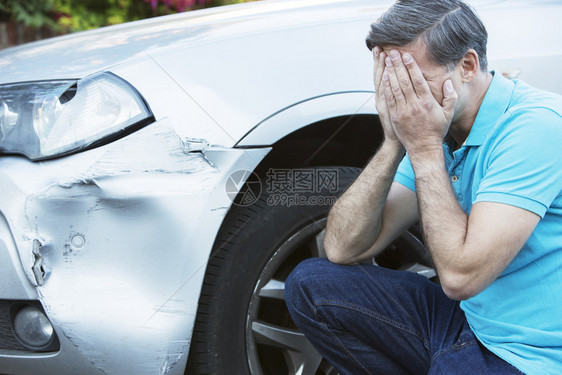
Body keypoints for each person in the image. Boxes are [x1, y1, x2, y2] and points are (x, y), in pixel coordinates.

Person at [284, 0, 562, 374]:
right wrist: (392, 143)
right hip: (469, 323)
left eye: (413, 79)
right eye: (390, 79)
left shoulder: (535, 129)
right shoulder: (441, 125)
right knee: (311, 283)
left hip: (533, 351)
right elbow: (343, 248)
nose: (402, 97)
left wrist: (425, 147)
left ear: (467, 66)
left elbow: (462, 278)